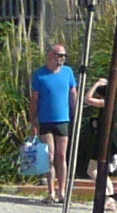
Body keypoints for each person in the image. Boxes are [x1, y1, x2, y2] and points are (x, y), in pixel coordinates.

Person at [28, 42, 81, 200]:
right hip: (45, 120)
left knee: (61, 155)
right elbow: (34, 99)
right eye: (59, 55)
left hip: (62, 120)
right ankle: (51, 191)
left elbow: (73, 94)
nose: (62, 59)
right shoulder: (40, 74)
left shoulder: (68, 72)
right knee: (49, 156)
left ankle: (62, 191)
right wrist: (33, 121)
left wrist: (76, 113)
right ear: (50, 55)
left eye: (64, 56)